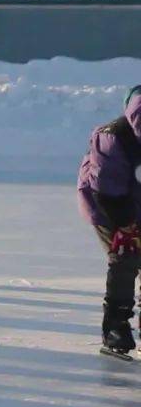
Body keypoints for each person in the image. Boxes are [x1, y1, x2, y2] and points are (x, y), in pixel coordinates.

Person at [77, 85, 141, 359]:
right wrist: (126, 226)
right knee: (126, 256)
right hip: (108, 206)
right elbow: (106, 189)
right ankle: (116, 327)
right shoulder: (113, 136)